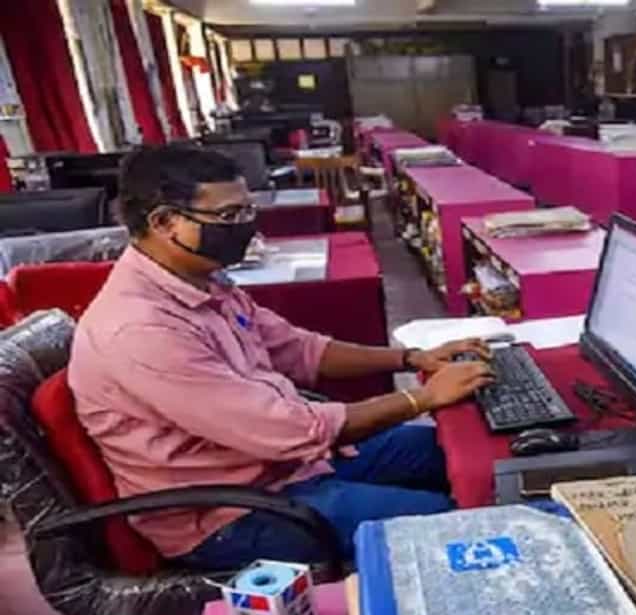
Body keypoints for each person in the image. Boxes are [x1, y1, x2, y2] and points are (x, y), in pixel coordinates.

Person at [69, 146, 494, 571]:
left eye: (247, 210)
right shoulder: (140, 329)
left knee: (470, 458)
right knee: (460, 523)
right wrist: (421, 399)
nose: (246, 226)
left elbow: (300, 349)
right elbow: (290, 430)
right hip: (232, 512)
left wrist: (413, 358)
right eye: (229, 215)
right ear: (164, 222)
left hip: (286, 464)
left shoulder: (202, 280)